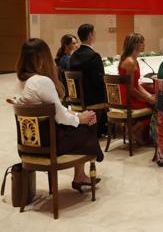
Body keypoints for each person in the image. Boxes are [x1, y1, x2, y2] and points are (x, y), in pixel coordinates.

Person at [14, 38, 103, 192]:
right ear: (43, 58)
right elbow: (60, 117)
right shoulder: (41, 81)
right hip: (50, 144)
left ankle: (81, 174)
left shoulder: (21, 81)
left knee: (81, 121)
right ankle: (84, 170)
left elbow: (53, 110)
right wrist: (80, 118)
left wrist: (75, 115)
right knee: (88, 124)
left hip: (29, 143)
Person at [70, 24, 107, 137]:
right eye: (94, 33)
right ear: (90, 35)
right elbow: (98, 81)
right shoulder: (94, 56)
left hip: (77, 98)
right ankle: (104, 127)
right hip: (92, 99)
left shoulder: (74, 55)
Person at [118, 33, 155, 145]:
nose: (144, 44)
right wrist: (148, 99)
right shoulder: (130, 62)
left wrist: (148, 96)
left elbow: (136, 84)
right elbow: (130, 89)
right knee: (155, 107)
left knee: (153, 101)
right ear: (135, 45)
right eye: (142, 42)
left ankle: (137, 133)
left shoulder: (134, 60)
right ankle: (133, 131)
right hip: (128, 97)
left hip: (130, 94)